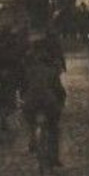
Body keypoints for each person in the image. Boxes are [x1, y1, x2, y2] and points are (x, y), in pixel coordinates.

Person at [22, 36, 67, 167]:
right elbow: (58, 89)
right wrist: (61, 101)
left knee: (29, 119)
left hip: (31, 101)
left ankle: (32, 138)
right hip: (48, 102)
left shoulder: (28, 68)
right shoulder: (52, 69)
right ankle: (54, 157)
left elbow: (23, 86)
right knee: (53, 128)